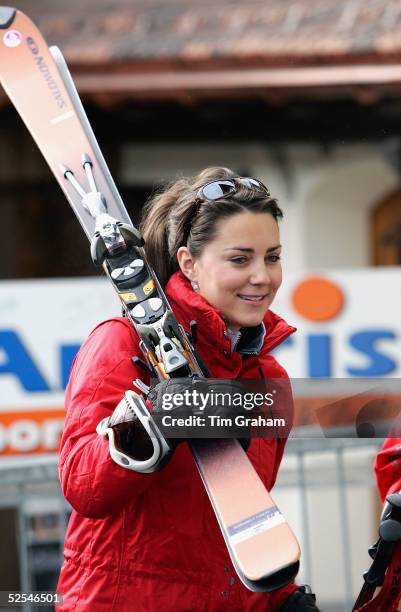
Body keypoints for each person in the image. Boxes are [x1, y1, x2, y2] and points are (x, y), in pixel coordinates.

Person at [56, 167, 320, 611]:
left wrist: (277, 601)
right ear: (189, 264)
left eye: (272, 257)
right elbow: (83, 486)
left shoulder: (267, 378)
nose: (262, 277)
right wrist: (153, 423)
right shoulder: (122, 343)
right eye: (240, 259)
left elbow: (233, 516)